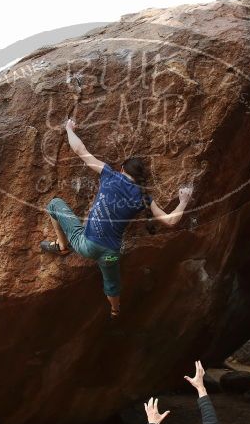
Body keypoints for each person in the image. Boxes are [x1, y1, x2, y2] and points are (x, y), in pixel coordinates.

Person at [41, 118, 193, 317]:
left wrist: (69, 128)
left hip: (87, 245)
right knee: (112, 284)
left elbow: (80, 150)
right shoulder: (143, 198)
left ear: (123, 168)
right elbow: (171, 221)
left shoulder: (110, 175)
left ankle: (62, 247)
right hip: (110, 254)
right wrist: (183, 201)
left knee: (54, 204)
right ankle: (115, 310)